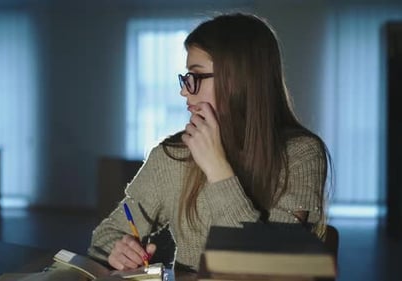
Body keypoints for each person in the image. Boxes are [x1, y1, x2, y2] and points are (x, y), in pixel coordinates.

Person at [88, 12, 330, 272]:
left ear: (238, 80)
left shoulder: (300, 154)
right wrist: (117, 249)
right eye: (185, 77)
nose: (183, 90)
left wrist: (218, 169)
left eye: (197, 76)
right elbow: (105, 236)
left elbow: (268, 268)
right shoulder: (173, 155)